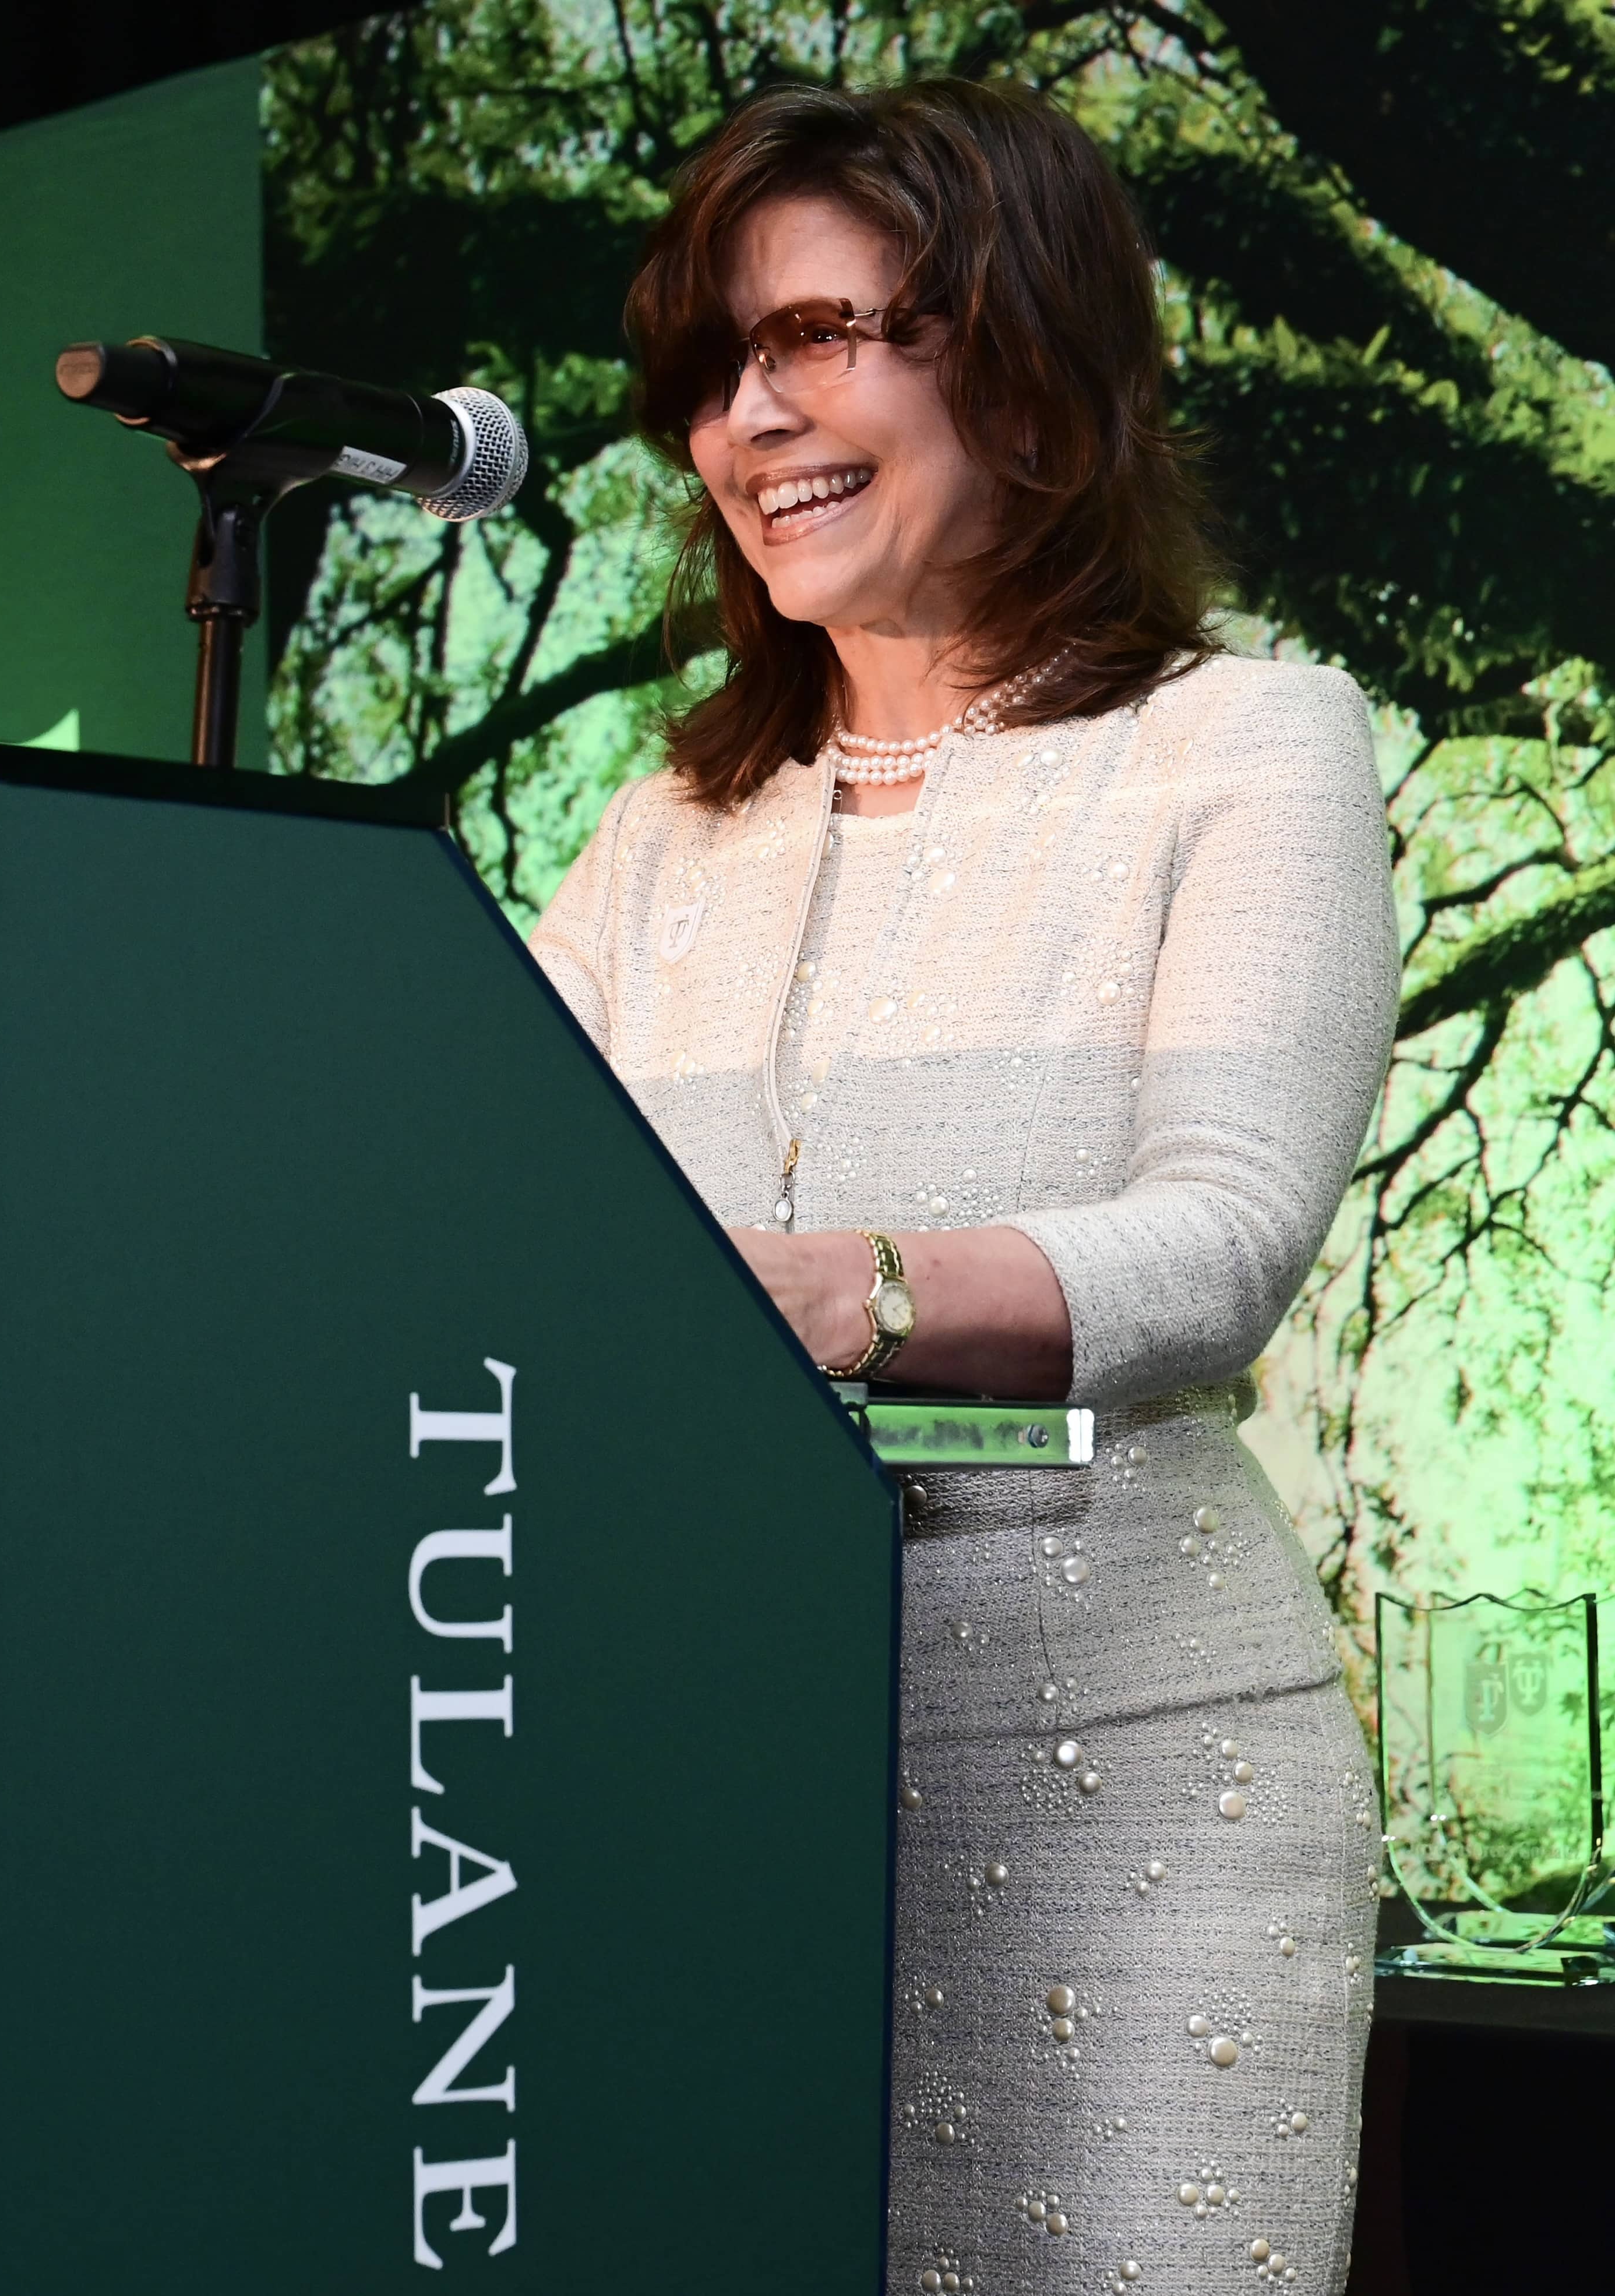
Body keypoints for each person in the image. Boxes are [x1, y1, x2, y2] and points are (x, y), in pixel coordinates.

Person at [531, 78, 1401, 2293]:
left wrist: (830, 1291)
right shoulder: (662, 836)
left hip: (1130, 1792)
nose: (749, 418)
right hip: (703, 1808)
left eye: (824, 334)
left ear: (1027, 375)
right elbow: (481, 1219)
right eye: (719, 366)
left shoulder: (1248, 744)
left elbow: (1217, 1246)